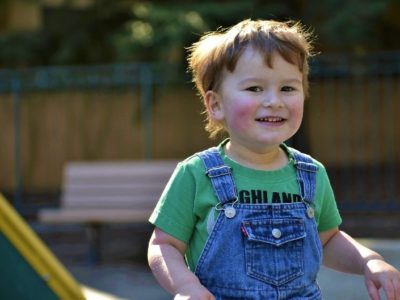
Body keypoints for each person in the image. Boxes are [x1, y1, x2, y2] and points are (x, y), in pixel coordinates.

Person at [147, 19, 400, 299]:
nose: (274, 101)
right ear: (216, 105)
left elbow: (327, 240)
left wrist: (369, 261)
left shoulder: (311, 173)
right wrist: (186, 286)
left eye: (288, 89)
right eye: (255, 88)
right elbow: (164, 245)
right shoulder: (197, 173)